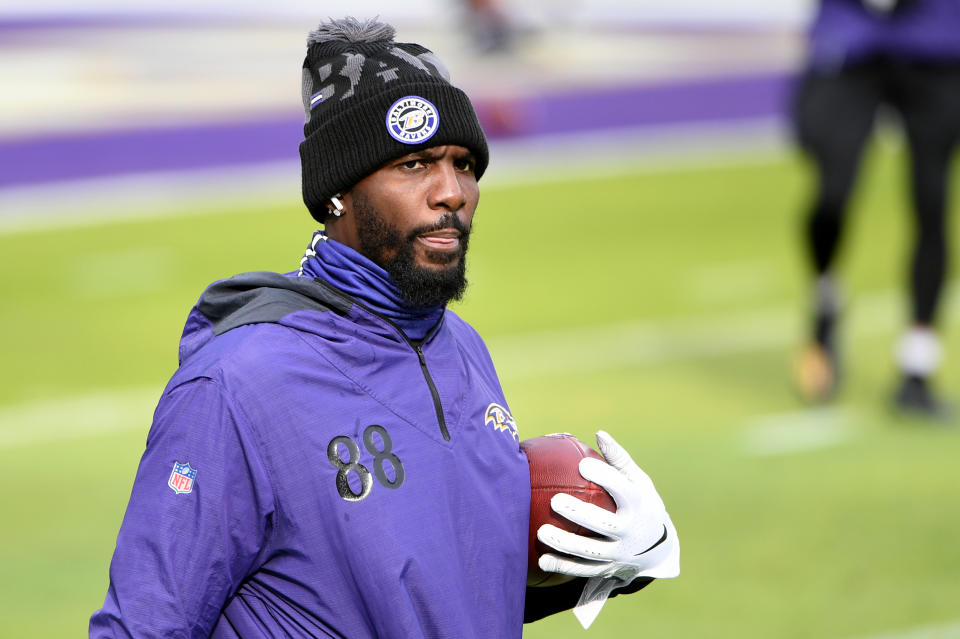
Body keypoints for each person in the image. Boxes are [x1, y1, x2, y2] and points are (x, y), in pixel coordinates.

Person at [89, 17, 679, 638]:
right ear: (338, 192)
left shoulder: (460, 347)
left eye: (463, 164)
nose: (452, 192)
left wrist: (620, 559)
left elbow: (441, 592)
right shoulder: (237, 385)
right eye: (416, 164)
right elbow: (143, 627)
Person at [792, 0, 960, 417]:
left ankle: (917, 367)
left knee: (932, 200)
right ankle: (826, 302)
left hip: (934, 38)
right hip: (852, 37)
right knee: (831, 193)